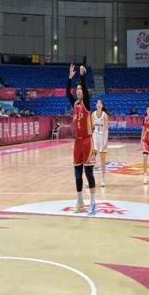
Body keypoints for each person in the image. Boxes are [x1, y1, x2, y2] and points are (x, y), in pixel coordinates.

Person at [66, 63, 96, 215]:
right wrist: (70, 78)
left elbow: (85, 89)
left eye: (80, 89)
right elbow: (67, 93)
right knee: (77, 172)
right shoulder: (75, 104)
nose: (78, 91)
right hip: (77, 141)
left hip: (87, 141)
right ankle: (79, 201)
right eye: (77, 89)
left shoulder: (87, 104)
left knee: (88, 172)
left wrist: (82, 76)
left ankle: (93, 202)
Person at [92, 100, 109, 187]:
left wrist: (104, 142)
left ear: (102, 106)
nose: (98, 104)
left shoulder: (105, 115)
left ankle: (103, 179)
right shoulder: (93, 114)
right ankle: (90, 180)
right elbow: (92, 127)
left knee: (103, 161)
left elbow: (106, 128)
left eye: (100, 103)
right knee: (92, 160)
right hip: (95, 137)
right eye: (97, 103)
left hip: (103, 138)